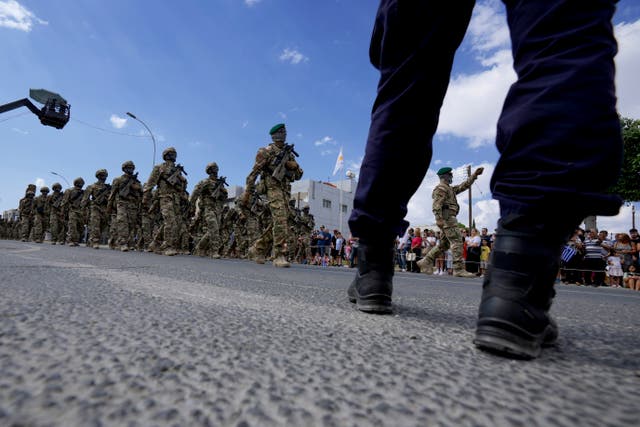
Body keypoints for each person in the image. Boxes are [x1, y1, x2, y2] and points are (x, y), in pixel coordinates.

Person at [347, 0, 622, 359]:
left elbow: (458, 189)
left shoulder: (451, 186)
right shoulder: (442, 189)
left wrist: (473, 177)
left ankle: (374, 269)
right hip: (450, 221)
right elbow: (445, 196)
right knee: (561, 36)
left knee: (406, 89)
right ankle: (517, 282)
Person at [244, 123, 303, 267]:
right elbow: (253, 174)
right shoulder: (266, 151)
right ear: (275, 134)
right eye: (281, 131)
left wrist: (294, 167)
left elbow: (298, 175)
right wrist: (247, 193)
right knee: (281, 219)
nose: (284, 134)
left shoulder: (289, 154)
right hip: (272, 188)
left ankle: (257, 248)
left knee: (282, 221)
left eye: (285, 131)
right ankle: (278, 255)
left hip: (284, 191)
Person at [416, 167, 483, 277]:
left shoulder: (449, 189)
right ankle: (458, 269)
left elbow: (463, 186)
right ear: (445, 176)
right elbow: (436, 205)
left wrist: (474, 175)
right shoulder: (441, 188)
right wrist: (438, 219)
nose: (452, 176)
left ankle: (426, 261)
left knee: (444, 244)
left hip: (448, 219)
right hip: (447, 219)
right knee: (457, 242)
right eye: (450, 174)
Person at [143, 147, 188, 256]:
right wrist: (146, 197)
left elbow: (181, 188)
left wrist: (182, 181)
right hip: (165, 197)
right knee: (170, 221)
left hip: (176, 200)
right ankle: (167, 246)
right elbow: (150, 183)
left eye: (174, 154)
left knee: (173, 222)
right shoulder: (159, 167)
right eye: (171, 154)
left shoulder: (177, 171)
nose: (173, 156)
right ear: (166, 155)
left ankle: (155, 243)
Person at [190, 162, 228, 259]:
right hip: (208, 208)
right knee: (214, 228)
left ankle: (200, 247)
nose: (216, 170)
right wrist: (192, 205)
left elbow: (224, 198)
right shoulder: (205, 182)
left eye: (216, 168)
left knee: (214, 230)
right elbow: (195, 193)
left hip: (218, 209)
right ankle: (214, 251)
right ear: (209, 170)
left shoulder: (220, 185)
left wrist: (222, 190)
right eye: (214, 168)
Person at [108, 161, 143, 252]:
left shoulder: (137, 181)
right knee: (122, 222)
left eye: (132, 168)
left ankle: (116, 241)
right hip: (121, 203)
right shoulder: (118, 180)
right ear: (124, 169)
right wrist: (109, 207)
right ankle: (122, 243)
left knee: (131, 224)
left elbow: (141, 193)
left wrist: (137, 188)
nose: (130, 169)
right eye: (128, 167)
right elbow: (112, 194)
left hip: (133, 205)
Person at [82, 169, 112, 249]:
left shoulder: (108, 188)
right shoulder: (92, 186)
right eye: (102, 175)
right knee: (95, 225)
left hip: (105, 208)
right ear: (98, 176)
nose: (103, 177)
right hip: (95, 207)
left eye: (105, 176)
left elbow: (111, 198)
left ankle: (91, 239)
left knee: (103, 224)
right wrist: (84, 209)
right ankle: (95, 241)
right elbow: (85, 199)